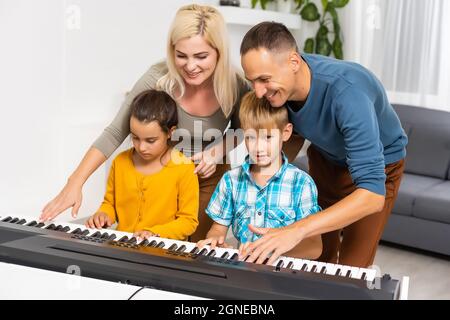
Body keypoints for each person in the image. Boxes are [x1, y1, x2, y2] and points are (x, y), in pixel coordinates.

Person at [40, 4, 251, 242]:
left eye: (201, 56)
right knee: (155, 249)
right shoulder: (157, 78)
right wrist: (75, 182)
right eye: (181, 55)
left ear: (219, 52)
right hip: (161, 179)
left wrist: (216, 152)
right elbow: (115, 131)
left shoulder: (235, 85)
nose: (190, 66)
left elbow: (245, 128)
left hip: (208, 181)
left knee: (195, 255)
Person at [239, 22, 407, 268]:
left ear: (294, 62)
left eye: (264, 79)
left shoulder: (348, 95)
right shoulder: (279, 87)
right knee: (318, 258)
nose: (259, 91)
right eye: (252, 81)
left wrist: (297, 229)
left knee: (351, 270)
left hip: (380, 168)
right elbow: (283, 139)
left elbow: (372, 195)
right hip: (327, 160)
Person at [197, 92, 322, 260]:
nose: (258, 148)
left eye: (268, 137)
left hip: (282, 275)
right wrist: (215, 240)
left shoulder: (301, 183)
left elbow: (313, 248)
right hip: (244, 269)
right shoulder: (231, 180)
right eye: (250, 137)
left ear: (286, 132)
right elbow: (218, 229)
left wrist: (265, 251)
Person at [85, 89, 199, 240]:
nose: (142, 147)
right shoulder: (120, 162)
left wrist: (155, 233)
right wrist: (103, 214)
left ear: (170, 132)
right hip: (123, 248)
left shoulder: (184, 167)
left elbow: (188, 221)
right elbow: (109, 204)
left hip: (162, 253)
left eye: (151, 140)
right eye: (135, 138)